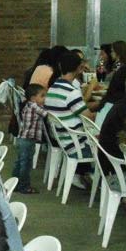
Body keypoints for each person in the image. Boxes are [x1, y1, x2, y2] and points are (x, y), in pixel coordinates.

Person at [45, 51, 99, 185]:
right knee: (107, 147)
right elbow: (88, 118)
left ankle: (87, 174)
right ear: (79, 69)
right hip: (75, 144)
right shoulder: (71, 92)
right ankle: (98, 180)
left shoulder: (53, 88)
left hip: (62, 139)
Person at [12, 83, 47, 194]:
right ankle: (24, 186)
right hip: (28, 140)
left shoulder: (29, 105)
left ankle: (15, 183)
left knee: (20, 162)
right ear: (33, 98)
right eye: (42, 96)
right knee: (26, 164)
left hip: (23, 138)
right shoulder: (34, 106)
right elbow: (46, 114)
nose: (45, 98)